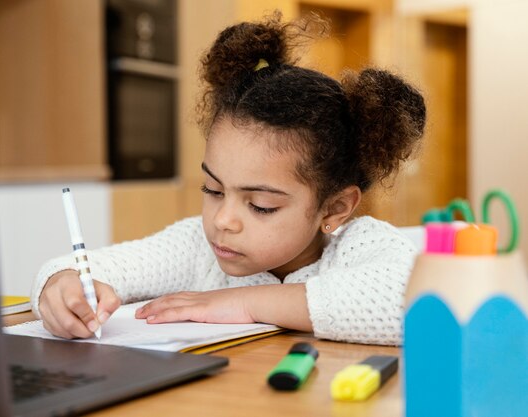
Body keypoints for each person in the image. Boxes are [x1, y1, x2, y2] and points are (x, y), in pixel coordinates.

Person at [32, 12, 426, 346]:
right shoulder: (198, 249)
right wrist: (61, 287)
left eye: (261, 205)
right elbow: (81, 267)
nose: (223, 220)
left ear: (336, 208)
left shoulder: (359, 246)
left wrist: (243, 302)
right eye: (213, 189)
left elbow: (412, 303)